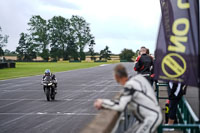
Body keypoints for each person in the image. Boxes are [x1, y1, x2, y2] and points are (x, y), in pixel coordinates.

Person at [94, 64, 162, 133]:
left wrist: (102, 102)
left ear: (116, 76)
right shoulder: (135, 79)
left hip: (150, 118)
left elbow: (121, 106)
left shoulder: (129, 86)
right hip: (149, 116)